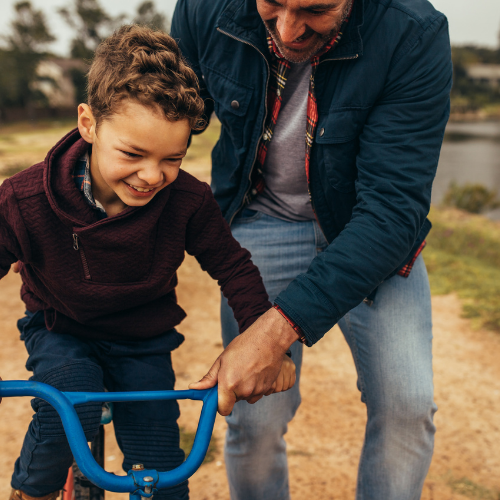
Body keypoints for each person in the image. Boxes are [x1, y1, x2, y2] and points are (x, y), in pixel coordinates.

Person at [0, 25, 296, 500]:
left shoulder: (187, 201)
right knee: (70, 402)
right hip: (61, 327)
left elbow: (233, 267)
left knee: (161, 466)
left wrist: (267, 344)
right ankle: (31, 492)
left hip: (143, 340)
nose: (152, 175)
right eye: (133, 154)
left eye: (172, 159)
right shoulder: (25, 199)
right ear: (89, 124)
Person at [171, 0, 453, 498]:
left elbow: (392, 212)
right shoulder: (202, 7)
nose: (287, 29)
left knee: (407, 406)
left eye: (315, 10)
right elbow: (151, 112)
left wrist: (275, 331)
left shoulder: (415, 32)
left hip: (369, 234)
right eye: (273, 4)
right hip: (261, 221)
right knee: (252, 419)